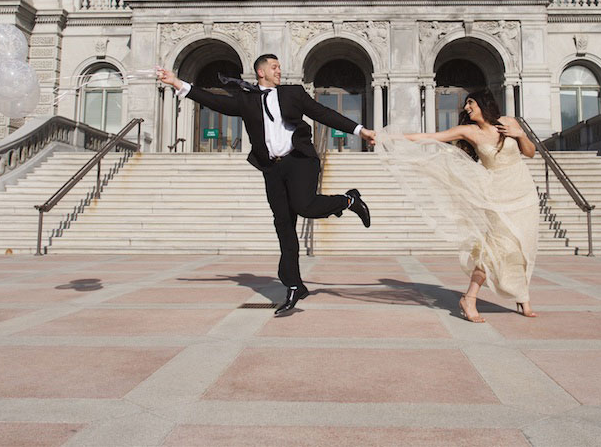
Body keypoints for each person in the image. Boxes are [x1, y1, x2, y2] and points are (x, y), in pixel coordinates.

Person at [157, 55, 375, 315]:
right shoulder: (246, 99)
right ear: (261, 72)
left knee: (304, 205)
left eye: (280, 66)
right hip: (272, 168)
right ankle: (294, 285)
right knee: (283, 224)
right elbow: (214, 101)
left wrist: (360, 130)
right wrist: (176, 83)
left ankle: (349, 200)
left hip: (300, 160)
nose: (279, 70)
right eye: (274, 67)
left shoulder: (293, 93)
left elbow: (323, 113)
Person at [378, 89, 539, 322]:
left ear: (484, 103)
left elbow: (530, 153)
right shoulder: (469, 131)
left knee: (525, 245)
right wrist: (388, 138)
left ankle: (523, 298)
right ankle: (469, 298)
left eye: (471, 102)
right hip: (496, 196)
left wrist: (521, 134)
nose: (467, 107)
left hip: (524, 193)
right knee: (497, 248)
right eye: (466, 104)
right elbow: (429, 136)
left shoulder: (508, 123)